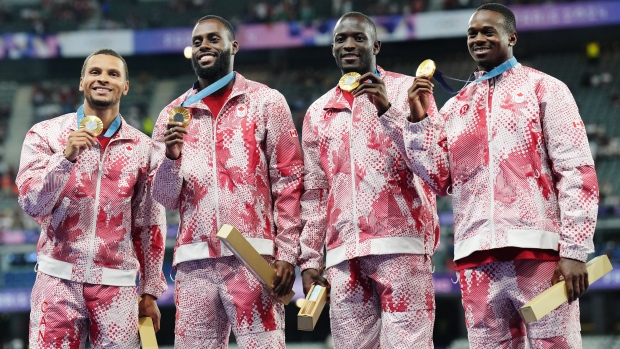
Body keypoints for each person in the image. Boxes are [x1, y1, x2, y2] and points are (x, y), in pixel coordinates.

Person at [389, 3, 598, 348]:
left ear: (511, 37)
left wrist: (574, 250)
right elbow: (440, 180)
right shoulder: (455, 106)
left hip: (538, 252)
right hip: (476, 256)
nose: (478, 38)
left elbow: (577, 171)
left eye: (488, 31)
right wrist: (417, 121)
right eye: (472, 33)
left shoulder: (545, 89)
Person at [151, 15, 303, 348]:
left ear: (233, 46)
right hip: (194, 262)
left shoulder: (267, 101)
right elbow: (164, 197)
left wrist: (288, 254)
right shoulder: (172, 114)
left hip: (254, 256)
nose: (203, 45)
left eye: (212, 39)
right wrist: (172, 157)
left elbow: (289, 179)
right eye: (197, 41)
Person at [298, 12, 439, 349]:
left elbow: (435, 167)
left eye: (358, 38)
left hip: (402, 245)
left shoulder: (410, 91)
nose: (349, 44)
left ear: (375, 45)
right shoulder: (318, 112)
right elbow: (316, 192)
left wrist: (387, 108)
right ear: (332, 48)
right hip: (344, 254)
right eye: (341, 39)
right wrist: (309, 260)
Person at [16, 48, 167, 348]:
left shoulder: (143, 148)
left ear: (125, 86)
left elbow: (150, 224)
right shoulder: (45, 135)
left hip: (118, 287)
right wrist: (65, 158)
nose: (103, 79)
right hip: (56, 281)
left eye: (113, 74)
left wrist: (149, 292)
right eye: (95, 72)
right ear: (82, 82)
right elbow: (31, 203)